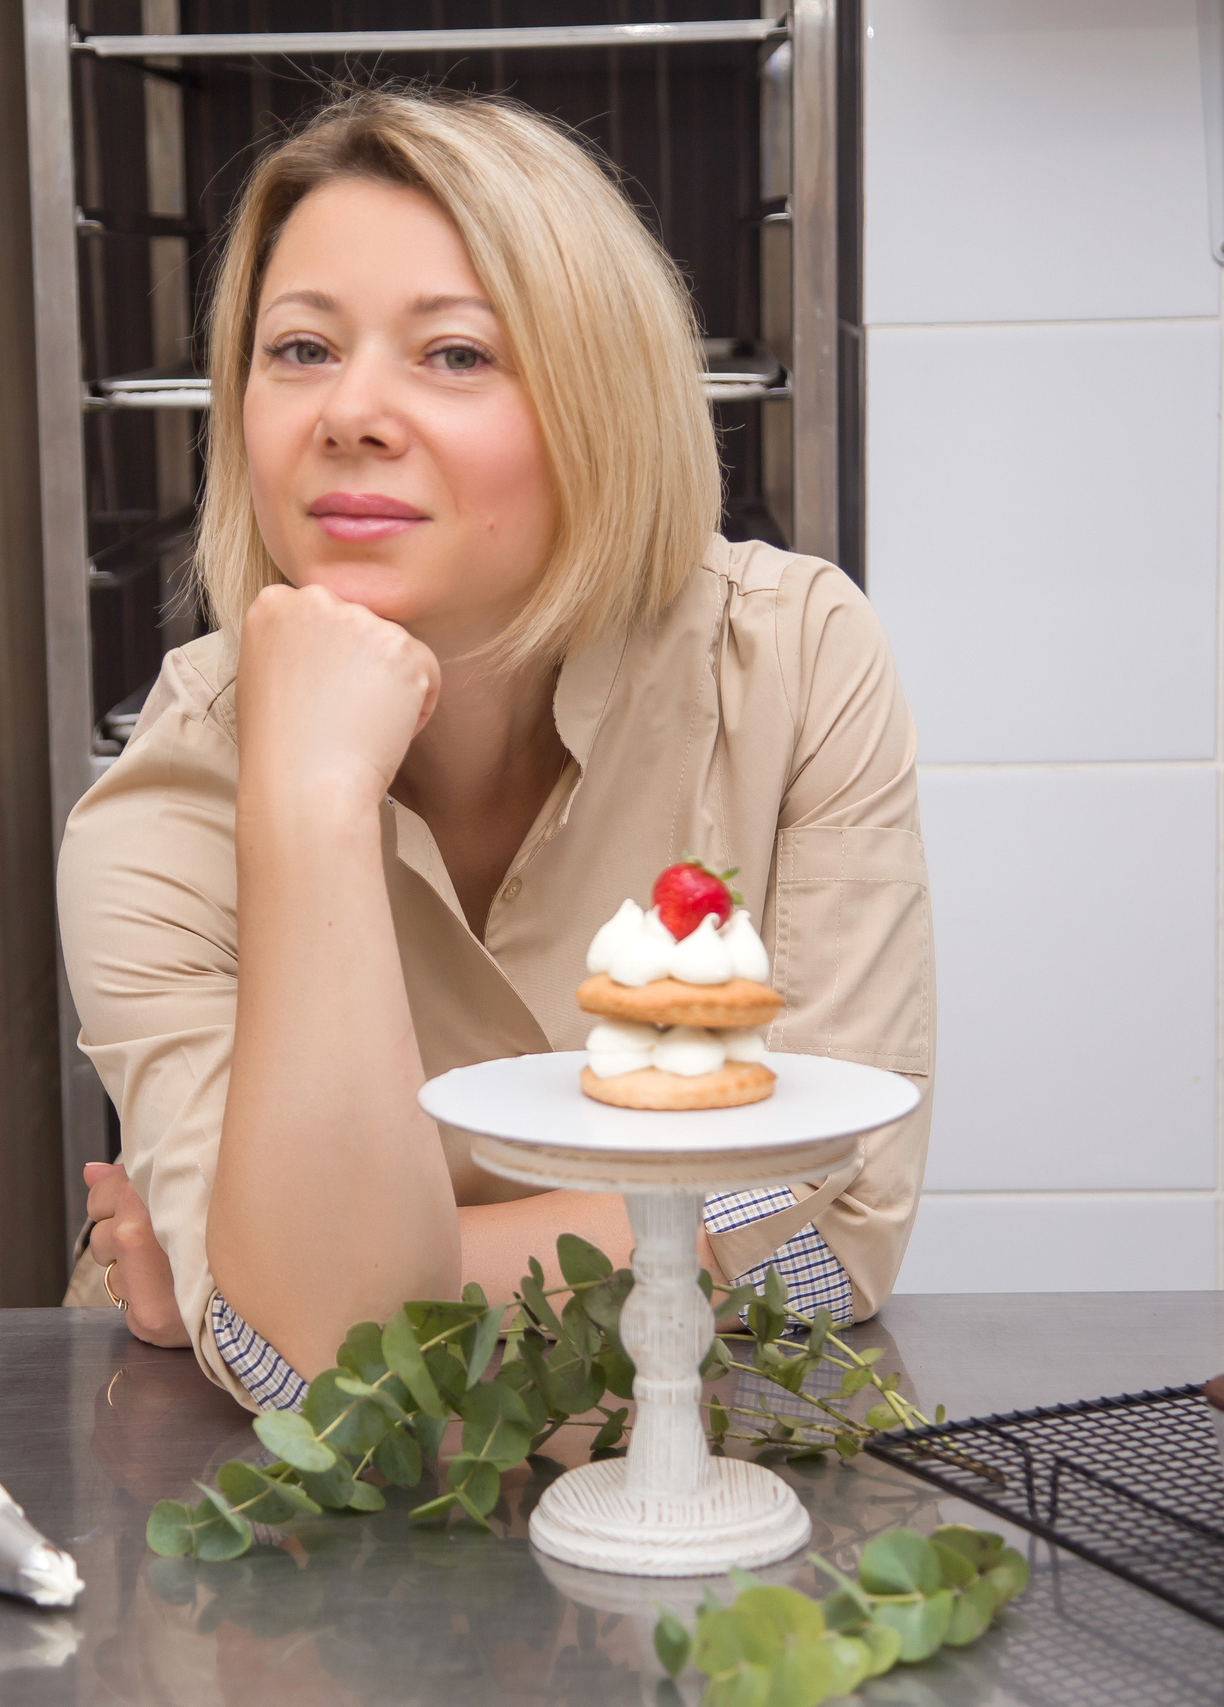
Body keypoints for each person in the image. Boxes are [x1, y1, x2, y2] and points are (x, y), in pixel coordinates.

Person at [58, 88, 934, 1410]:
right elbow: (315, 1381)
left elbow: (841, 1232)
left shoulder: (795, 659)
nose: (348, 412)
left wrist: (253, 1287)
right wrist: (309, 804)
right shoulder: (170, 799)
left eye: (454, 355)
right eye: (299, 350)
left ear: (602, 401)